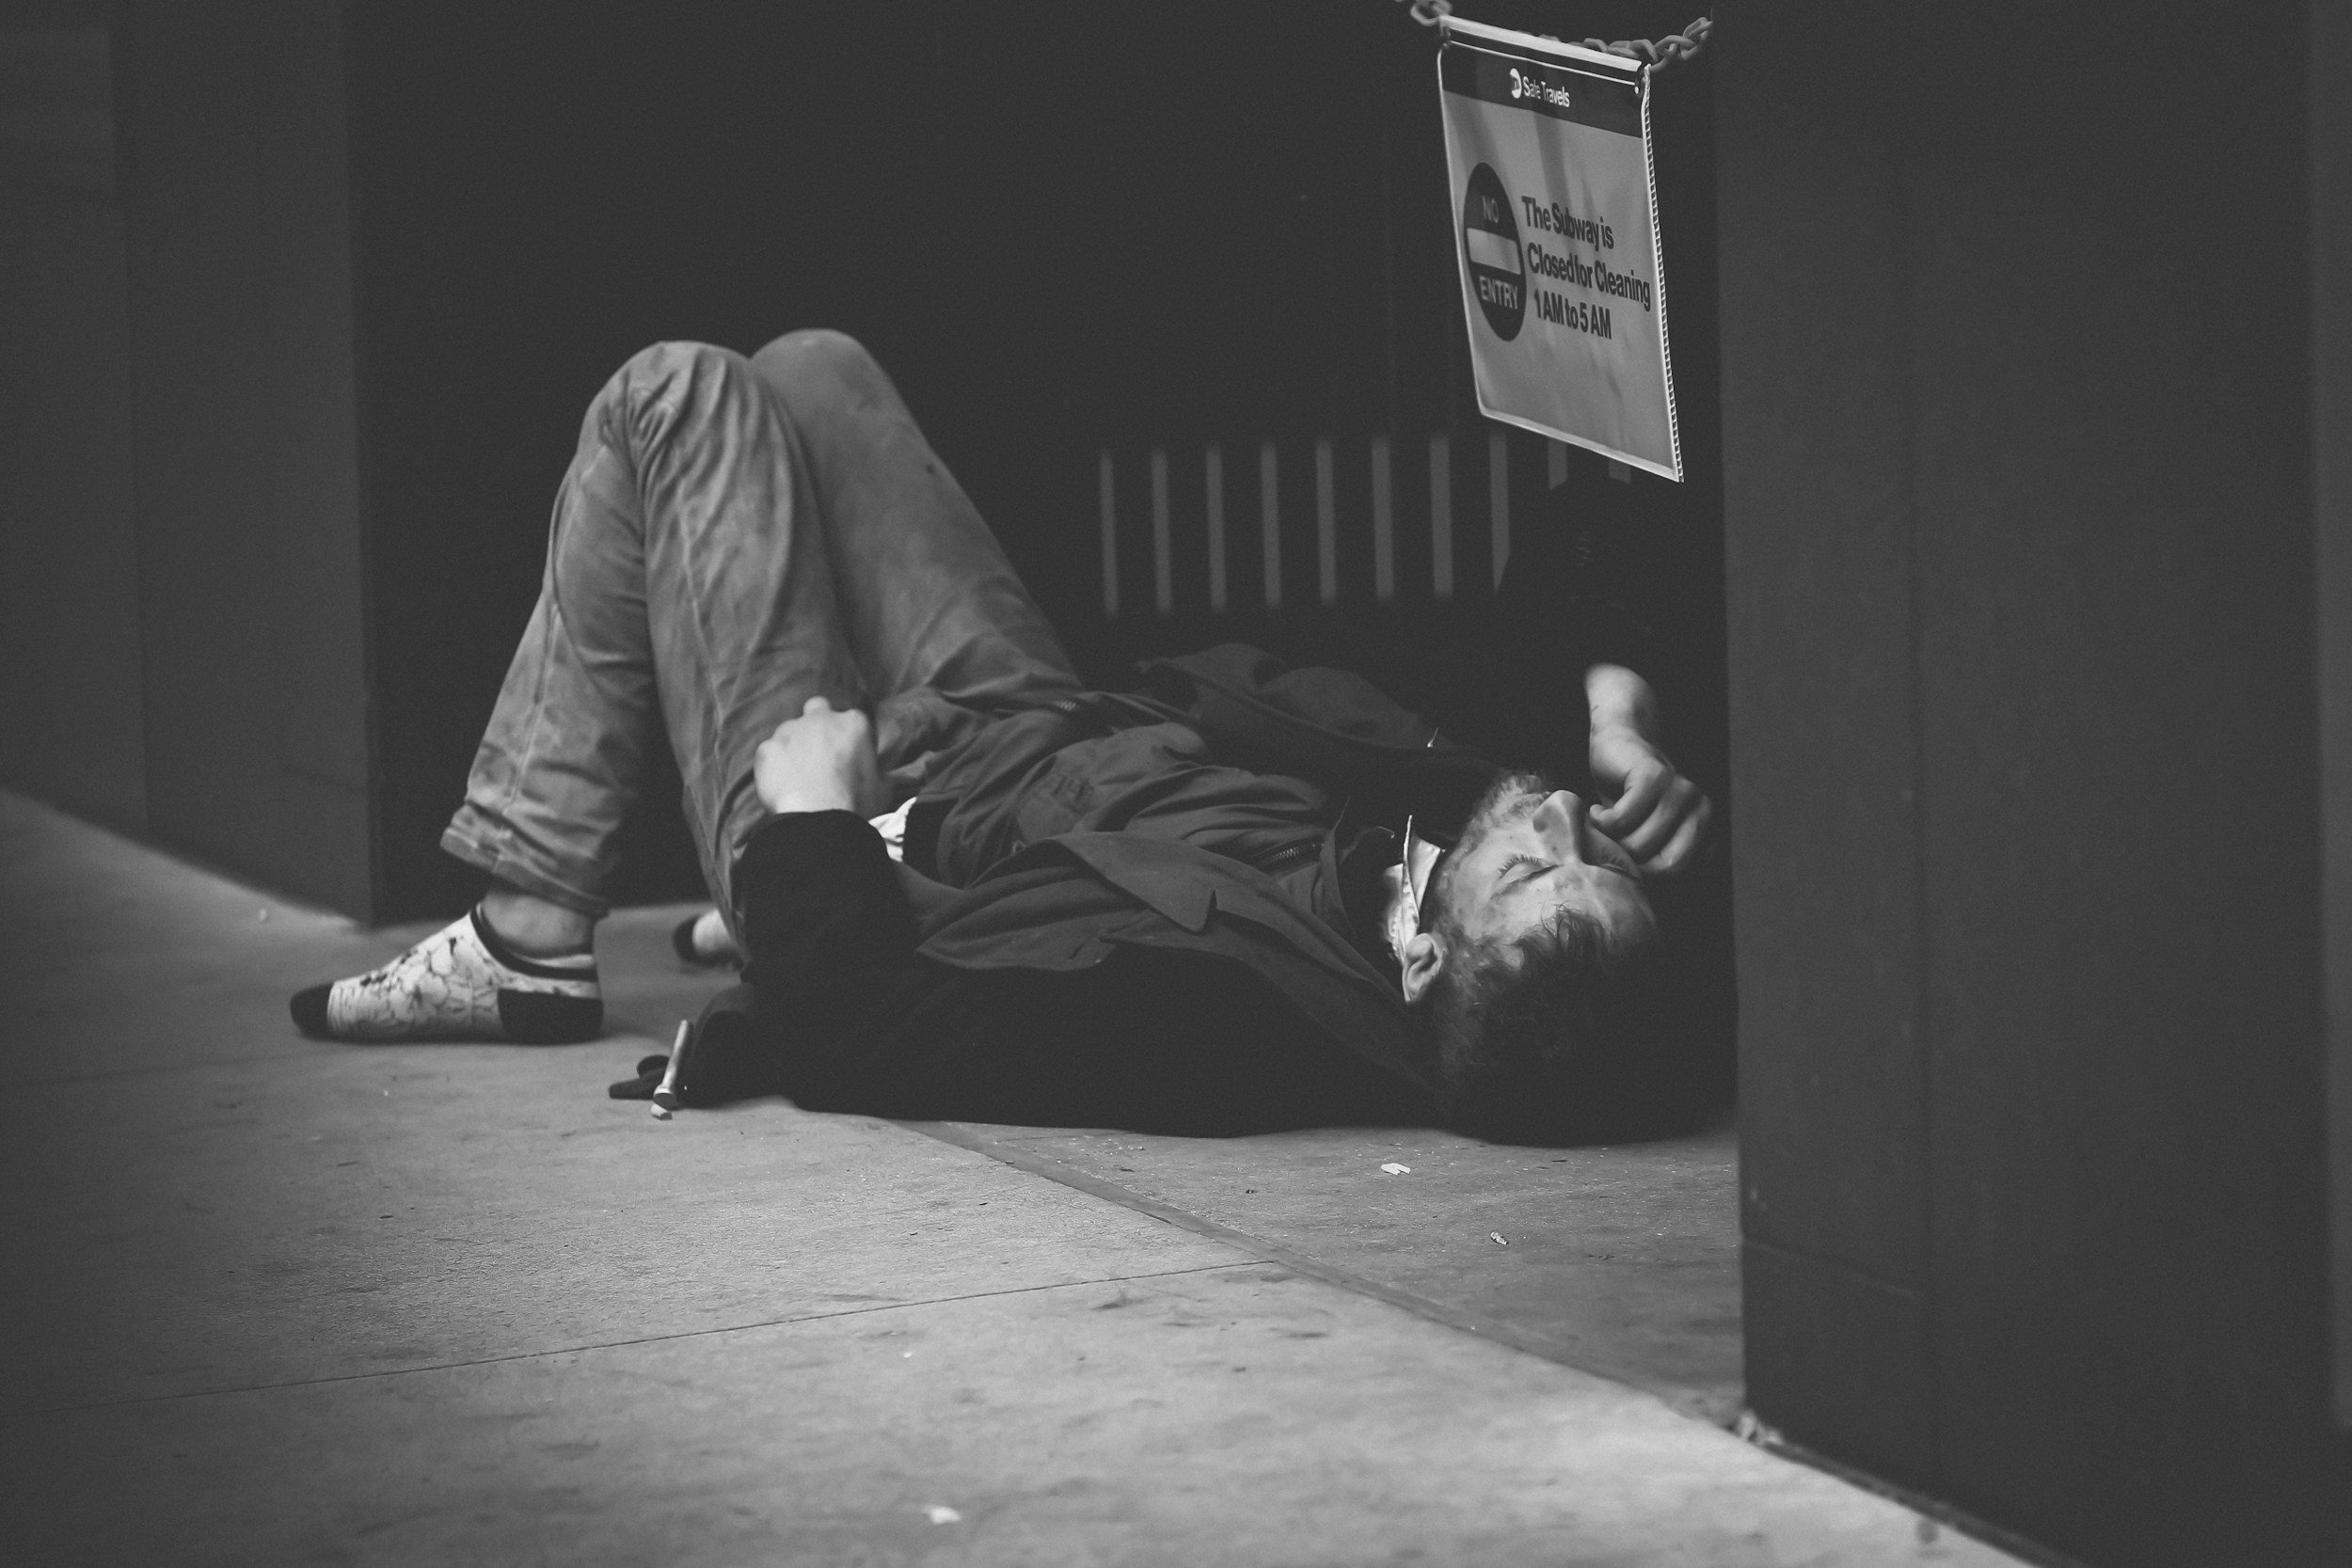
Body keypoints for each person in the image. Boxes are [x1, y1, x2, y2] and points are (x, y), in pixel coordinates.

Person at [292, 332, 1715, 1136]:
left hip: (851, 818)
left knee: (674, 397)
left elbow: (868, 1034)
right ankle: (535, 916)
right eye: (1597, 852)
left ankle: (529, 923)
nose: (1559, 827)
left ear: (1428, 961)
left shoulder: (1219, 1034)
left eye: (1537, 870)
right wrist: (1619, 719)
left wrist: (815, 830)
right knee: (816, 374)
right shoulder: (1450, 847)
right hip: (1035, 721)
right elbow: (1557, 609)